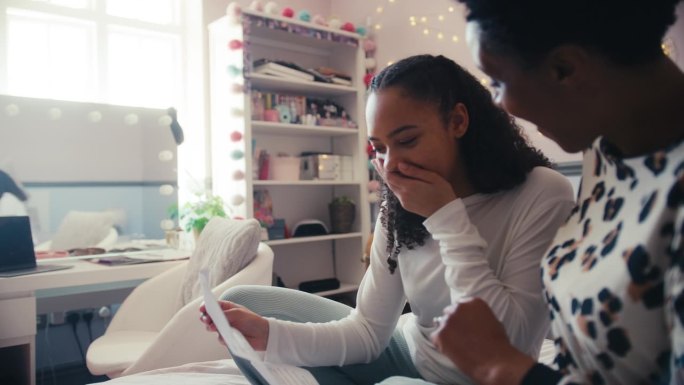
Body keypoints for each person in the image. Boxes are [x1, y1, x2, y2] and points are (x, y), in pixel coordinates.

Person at [200, 54, 575, 385]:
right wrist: (268, 335)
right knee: (241, 305)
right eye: (379, 148)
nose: (391, 165)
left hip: (484, 378)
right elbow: (367, 332)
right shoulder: (398, 204)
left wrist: (446, 217)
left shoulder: (542, 192)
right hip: (406, 350)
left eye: (407, 140)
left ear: (458, 121)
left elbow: (506, 341)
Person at [427, 1, 684, 384]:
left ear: (565, 69)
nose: (500, 105)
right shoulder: (606, 152)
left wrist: (500, 365)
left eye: (497, 82)